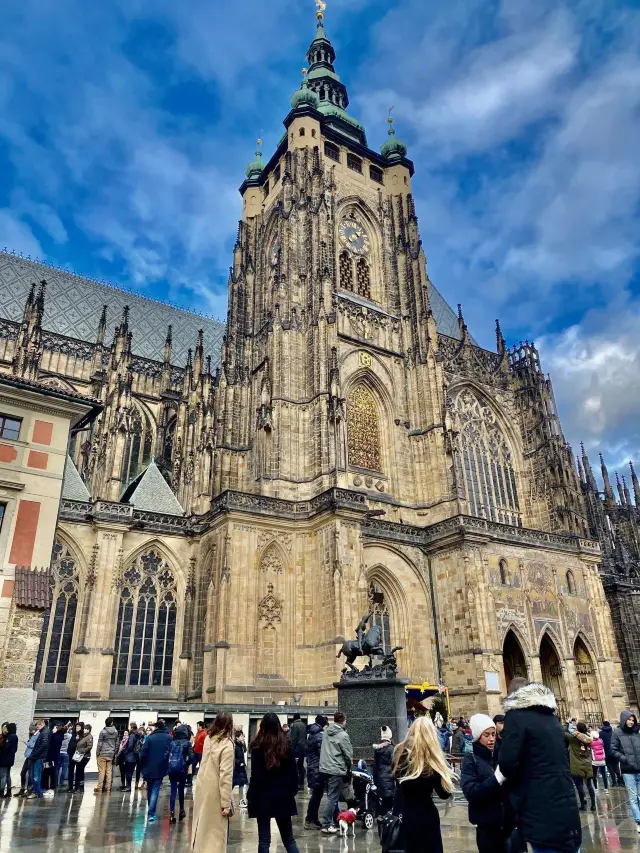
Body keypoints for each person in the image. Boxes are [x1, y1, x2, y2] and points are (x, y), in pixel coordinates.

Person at [498, 679, 581, 853]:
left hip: (539, 807)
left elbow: (506, 764)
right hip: (565, 804)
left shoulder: (516, 716)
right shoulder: (552, 718)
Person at [392, 716, 454, 853]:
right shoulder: (431, 762)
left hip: (407, 814)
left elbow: (396, 782)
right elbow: (444, 794)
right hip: (427, 816)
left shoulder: (400, 755)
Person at [247, 712, 300, 853]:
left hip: (262, 796)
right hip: (283, 796)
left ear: (263, 726)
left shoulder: (257, 747)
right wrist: (292, 791)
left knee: (264, 840)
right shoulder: (286, 745)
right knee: (288, 839)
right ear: (278, 726)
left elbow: (255, 776)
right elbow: (294, 774)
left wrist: (251, 796)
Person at [461, 714, 512, 853]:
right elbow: (470, 791)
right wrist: (496, 779)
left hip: (508, 824)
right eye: (486, 735)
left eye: (493, 734)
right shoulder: (471, 759)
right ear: (478, 736)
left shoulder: (500, 754)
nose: (491, 739)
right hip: (487, 826)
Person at [191, 711, 234, 853]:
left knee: (201, 829)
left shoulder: (209, 739)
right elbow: (225, 777)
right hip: (216, 792)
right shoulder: (227, 745)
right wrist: (226, 804)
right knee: (215, 836)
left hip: (203, 787)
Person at [319, 711, 353, 834]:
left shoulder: (326, 732)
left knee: (331, 797)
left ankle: (336, 819)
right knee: (333, 799)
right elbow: (348, 754)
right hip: (336, 769)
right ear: (343, 721)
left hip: (325, 769)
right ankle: (326, 824)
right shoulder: (343, 735)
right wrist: (350, 769)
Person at [611, 710, 640, 833]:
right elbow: (613, 749)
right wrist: (624, 759)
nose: (631, 722)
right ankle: (639, 821)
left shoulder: (636, 732)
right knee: (633, 798)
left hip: (639, 769)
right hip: (628, 770)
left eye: (633, 720)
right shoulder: (617, 733)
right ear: (624, 719)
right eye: (629, 719)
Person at [139, 719, 172, 823]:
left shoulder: (150, 738)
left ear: (156, 727)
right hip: (161, 767)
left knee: (150, 789)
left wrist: (142, 764)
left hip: (148, 767)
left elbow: (142, 753)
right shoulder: (169, 738)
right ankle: (151, 813)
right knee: (155, 790)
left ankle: (151, 811)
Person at [304, 714, 327, 829]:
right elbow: (322, 753)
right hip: (317, 768)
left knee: (317, 794)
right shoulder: (319, 736)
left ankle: (313, 818)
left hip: (312, 767)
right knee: (316, 795)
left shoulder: (312, 734)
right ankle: (309, 819)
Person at [168, 723, 194, 823]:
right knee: (181, 790)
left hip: (172, 769)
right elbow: (192, 757)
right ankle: (182, 810)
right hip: (182, 770)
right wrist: (186, 764)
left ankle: (171, 813)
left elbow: (167, 754)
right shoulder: (187, 743)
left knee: (173, 791)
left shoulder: (172, 742)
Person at [566, 722, 595, 811]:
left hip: (576, 765)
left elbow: (564, 732)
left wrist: (568, 723)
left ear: (577, 729)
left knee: (579, 786)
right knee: (589, 786)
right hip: (587, 764)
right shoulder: (588, 738)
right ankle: (593, 805)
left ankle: (583, 804)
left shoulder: (573, 738)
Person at [373, 725, 395, 814]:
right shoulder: (391, 749)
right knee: (389, 802)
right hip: (389, 778)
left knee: (382, 802)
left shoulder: (377, 749)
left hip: (379, 778)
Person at [26, 719, 50, 800]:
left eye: (37, 725)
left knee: (36, 776)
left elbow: (43, 746)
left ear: (41, 724)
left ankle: (36, 792)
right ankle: (37, 792)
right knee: (34, 775)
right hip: (38, 757)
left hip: (39, 757)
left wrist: (34, 754)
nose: (36, 727)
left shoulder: (44, 733)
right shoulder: (44, 732)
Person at [95, 717, 119, 794]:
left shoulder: (103, 732)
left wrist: (97, 753)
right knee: (109, 771)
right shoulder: (116, 732)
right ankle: (108, 788)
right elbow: (117, 743)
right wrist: (114, 752)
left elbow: (100, 744)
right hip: (111, 754)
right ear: (111, 723)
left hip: (102, 753)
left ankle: (99, 788)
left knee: (102, 771)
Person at [15, 723, 38, 798]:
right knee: (23, 772)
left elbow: (34, 745)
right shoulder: (32, 736)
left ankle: (29, 789)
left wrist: (27, 743)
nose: (30, 732)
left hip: (31, 756)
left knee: (30, 774)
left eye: (31, 730)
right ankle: (22, 788)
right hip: (28, 756)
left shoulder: (37, 735)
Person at [43, 723, 65, 796]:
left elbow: (51, 742)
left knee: (53, 772)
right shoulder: (55, 735)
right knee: (46, 771)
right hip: (49, 756)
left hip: (54, 757)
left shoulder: (59, 736)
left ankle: (52, 787)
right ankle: (46, 786)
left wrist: (53, 733)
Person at [600, 719, 622, 787]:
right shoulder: (613, 732)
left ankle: (614, 782)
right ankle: (620, 781)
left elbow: (601, 744)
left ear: (603, 725)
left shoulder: (601, 733)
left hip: (607, 753)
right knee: (616, 767)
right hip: (614, 752)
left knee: (610, 768)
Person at [71, 724, 93, 793]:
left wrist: (82, 751)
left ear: (88, 730)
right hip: (80, 755)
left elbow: (89, 746)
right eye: (84, 729)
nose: (84, 730)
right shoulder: (84, 736)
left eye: (86, 729)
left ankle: (80, 788)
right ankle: (79, 787)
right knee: (79, 771)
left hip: (84, 756)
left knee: (80, 771)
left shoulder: (89, 737)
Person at [121, 722, 142, 791]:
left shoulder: (132, 735)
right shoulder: (138, 735)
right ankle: (128, 786)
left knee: (128, 772)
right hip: (136, 756)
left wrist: (126, 752)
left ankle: (128, 787)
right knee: (131, 771)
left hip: (130, 756)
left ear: (132, 728)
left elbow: (130, 746)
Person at [289, 713, 307, 789]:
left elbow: (293, 738)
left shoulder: (294, 725)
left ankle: (295, 783)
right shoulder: (303, 725)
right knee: (301, 766)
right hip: (303, 749)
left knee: (295, 766)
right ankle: (302, 783)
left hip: (296, 749)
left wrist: (291, 748)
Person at [0, 722, 18, 797]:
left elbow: (6, 747)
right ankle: (9, 791)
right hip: (10, 759)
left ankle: (1, 792)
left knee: (3, 776)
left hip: (5, 759)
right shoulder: (14, 736)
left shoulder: (10, 737)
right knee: (7, 775)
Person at [66, 722, 85, 793]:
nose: (77, 728)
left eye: (79, 727)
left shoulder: (82, 735)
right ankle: (70, 786)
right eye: (76, 727)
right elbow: (70, 743)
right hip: (71, 754)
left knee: (78, 772)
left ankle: (77, 787)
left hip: (78, 755)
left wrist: (78, 739)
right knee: (70, 771)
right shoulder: (73, 734)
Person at [232, 726, 248, 808]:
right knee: (233, 784)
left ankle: (241, 800)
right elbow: (233, 758)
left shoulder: (241, 746)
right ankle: (228, 799)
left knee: (242, 784)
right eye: (241, 736)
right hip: (237, 769)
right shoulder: (235, 747)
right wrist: (239, 763)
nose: (243, 737)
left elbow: (245, 750)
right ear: (237, 737)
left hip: (241, 769)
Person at [589, 726, 608, 793]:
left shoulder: (591, 742)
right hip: (602, 760)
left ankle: (596, 789)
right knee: (604, 774)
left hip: (595, 761)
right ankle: (606, 788)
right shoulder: (601, 740)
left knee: (594, 775)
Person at [59, 723, 71, 788]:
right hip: (66, 753)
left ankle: (56, 782)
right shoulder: (69, 736)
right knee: (64, 768)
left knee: (57, 768)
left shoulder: (59, 735)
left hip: (59, 753)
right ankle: (61, 782)